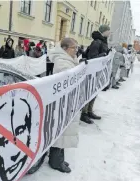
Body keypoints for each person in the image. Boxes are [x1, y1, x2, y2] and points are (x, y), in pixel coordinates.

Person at [48, 38, 80, 173]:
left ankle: (59, 158)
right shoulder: (63, 63)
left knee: (64, 131)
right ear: (66, 49)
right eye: (74, 48)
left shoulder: (68, 60)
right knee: (60, 133)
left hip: (68, 102)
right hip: (63, 103)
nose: (76, 50)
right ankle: (56, 161)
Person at [81, 25, 111, 124]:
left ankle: (89, 111)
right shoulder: (96, 42)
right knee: (89, 92)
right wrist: (103, 56)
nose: (109, 32)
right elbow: (92, 58)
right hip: (92, 72)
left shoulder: (103, 41)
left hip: (98, 71)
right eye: (108, 31)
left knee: (94, 91)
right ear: (104, 31)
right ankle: (84, 113)